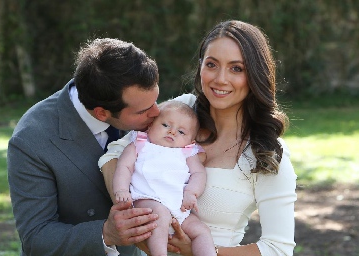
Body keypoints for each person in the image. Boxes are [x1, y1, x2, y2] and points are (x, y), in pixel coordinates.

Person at [100, 20, 297, 256]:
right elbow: (114, 154)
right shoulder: (182, 111)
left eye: (237, 68)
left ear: (255, 75)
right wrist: (136, 219)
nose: (220, 79)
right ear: (201, 65)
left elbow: (278, 248)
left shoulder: (265, 152)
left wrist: (198, 250)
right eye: (212, 64)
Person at [7, 38, 162, 256]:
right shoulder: (31, 139)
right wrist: (105, 234)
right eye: (143, 111)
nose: (157, 113)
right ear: (102, 113)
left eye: (156, 100)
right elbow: (36, 237)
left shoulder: (143, 108)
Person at [112, 100, 216, 256]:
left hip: (179, 208)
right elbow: (124, 167)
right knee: (160, 213)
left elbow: (199, 174)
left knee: (201, 230)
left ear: (191, 141)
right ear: (150, 126)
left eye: (181, 132)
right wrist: (121, 189)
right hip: (147, 200)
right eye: (166, 125)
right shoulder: (140, 144)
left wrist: (191, 192)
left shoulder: (187, 152)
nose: (172, 132)